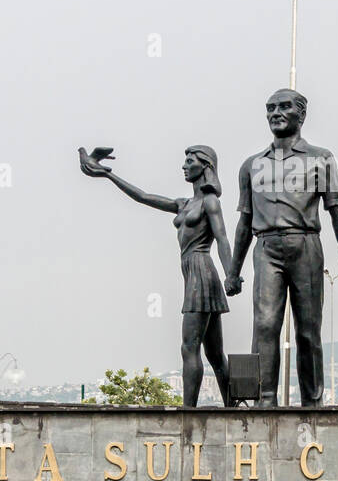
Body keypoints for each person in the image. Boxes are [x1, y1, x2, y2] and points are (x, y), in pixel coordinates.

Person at [226, 89, 338, 406]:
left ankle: (312, 400)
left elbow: (337, 212)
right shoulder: (251, 165)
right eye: (270, 108)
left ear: (301, 114)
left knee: (308, 329)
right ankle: (264, 398)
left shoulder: (320, 158)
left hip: (306, 245)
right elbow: (244, 221)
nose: (275, 113)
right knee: (264, 324)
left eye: (284, 107)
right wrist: (233, 271)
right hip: (266, 248)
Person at [79, 144, 233, 407]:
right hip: (193, 274)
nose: (184, 165)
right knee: (214, 353)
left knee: (190, 346)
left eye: (190, 161)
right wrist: (108, 175)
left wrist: (231, 274)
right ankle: (232, 406)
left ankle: (189, 410)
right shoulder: (182, 204)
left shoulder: (210, 202)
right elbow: (142, 196)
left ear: (205, 166)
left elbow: (222, 239)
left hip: (201, 273)